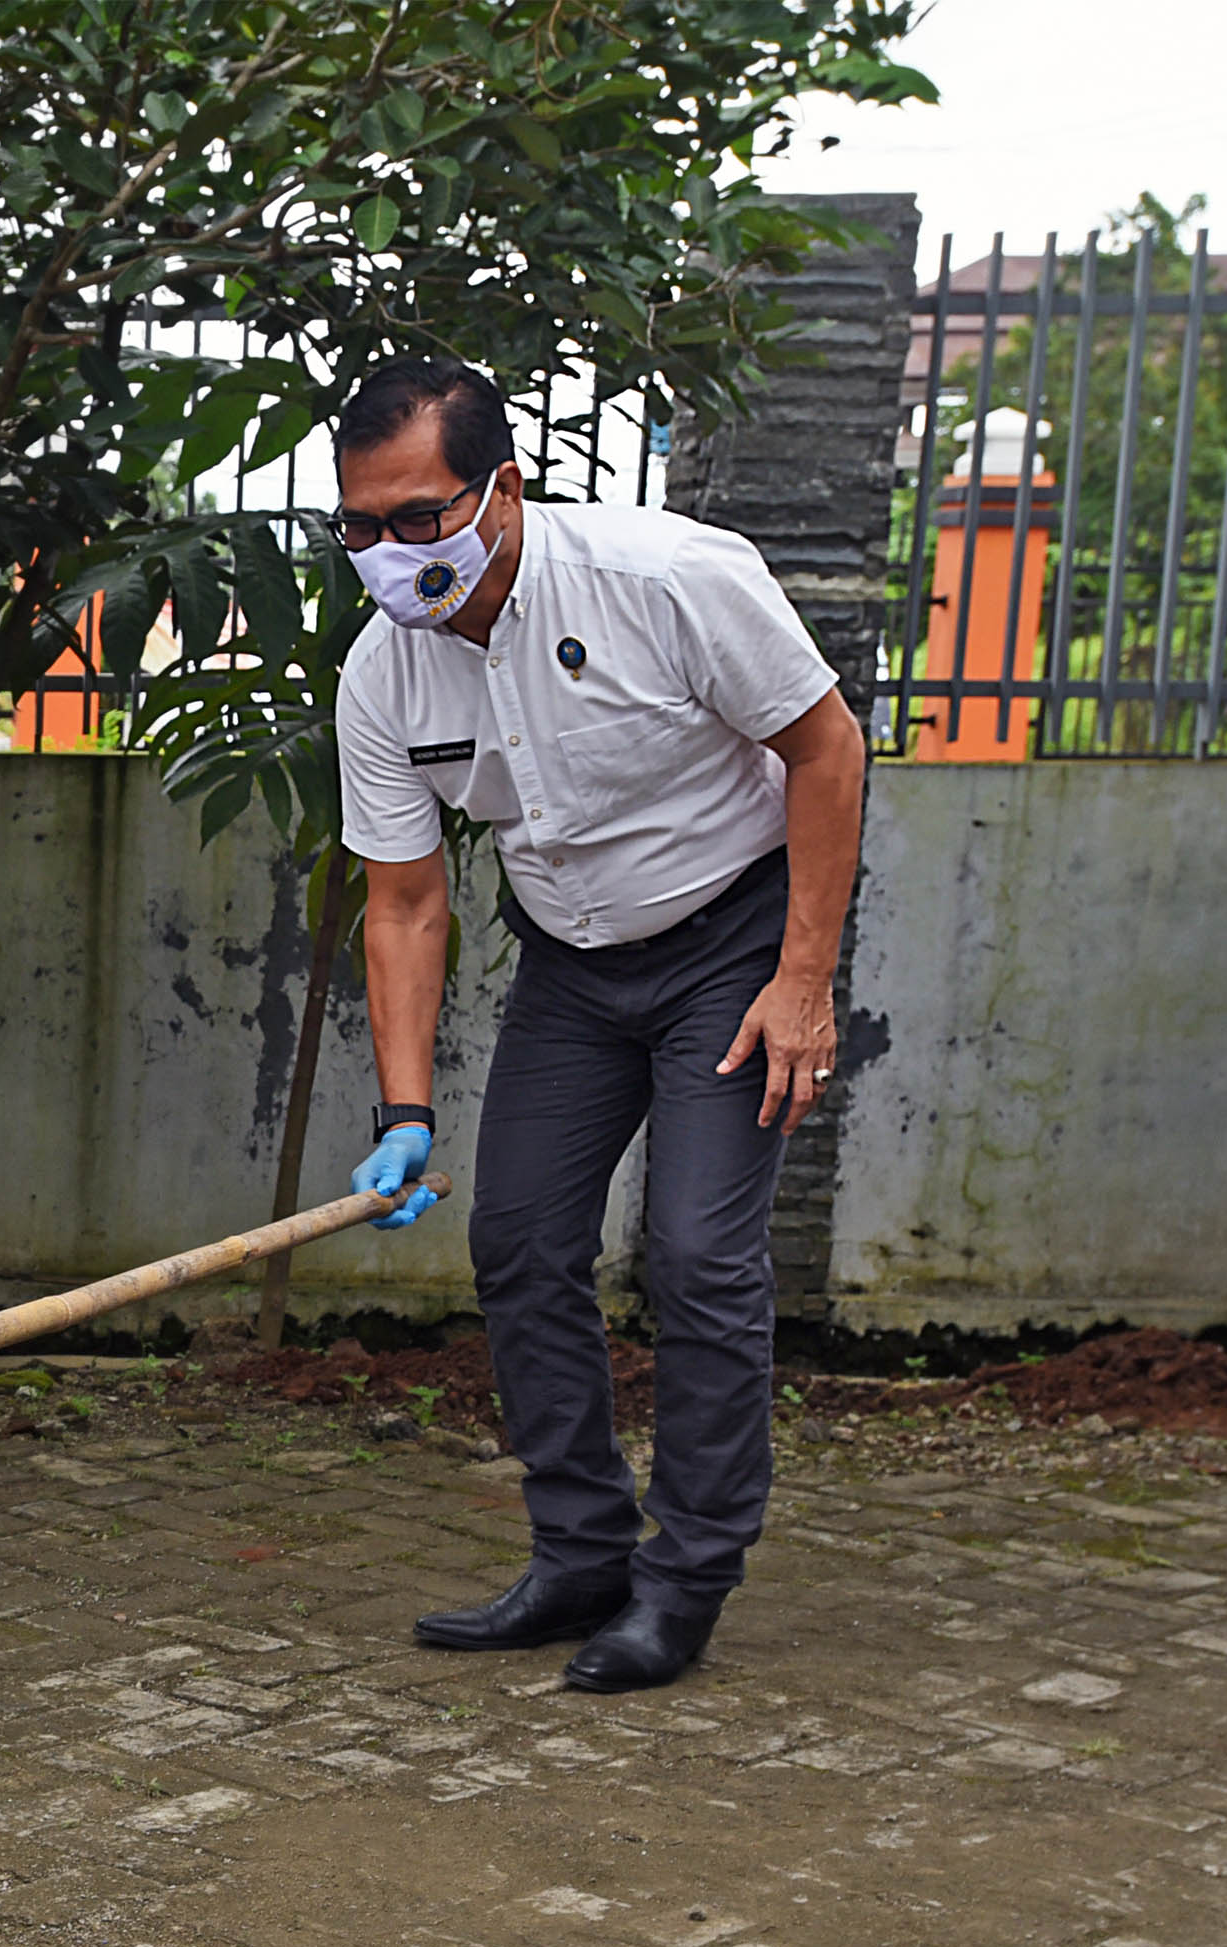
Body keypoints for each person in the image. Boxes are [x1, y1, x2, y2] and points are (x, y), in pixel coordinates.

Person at [328, 358, 863, 1694]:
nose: (391, 553)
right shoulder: (381, 677)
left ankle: (685, 1580)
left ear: (500, 490)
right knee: (516, 1241)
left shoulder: (665, 577)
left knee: (695, 1253)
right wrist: (403, 1111)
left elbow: (828, 748)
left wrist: (803, 978)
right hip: (572, 960)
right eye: (359, 526)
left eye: (418, 516)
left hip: (729, 943)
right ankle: (579, 1553)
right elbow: (403, 903)